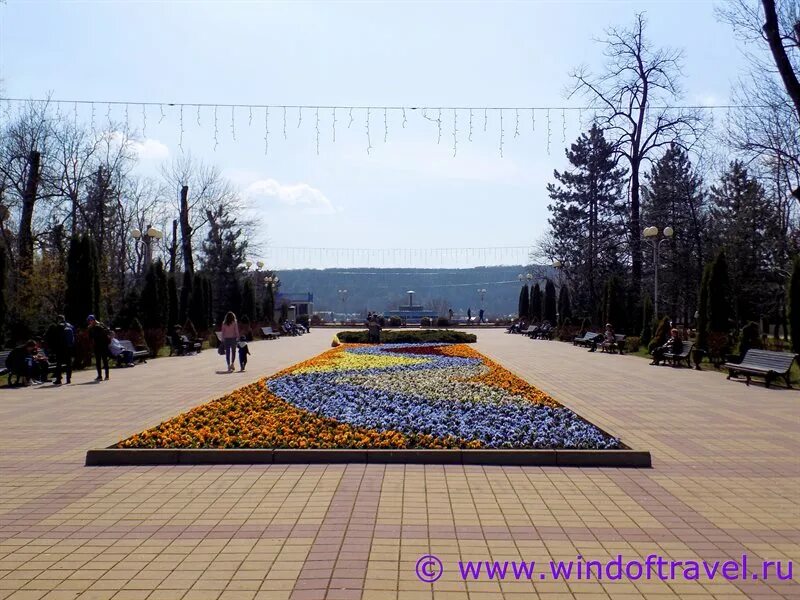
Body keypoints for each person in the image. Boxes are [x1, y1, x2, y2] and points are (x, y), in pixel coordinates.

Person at [88, 315, 111, 381]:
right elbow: (108, 332)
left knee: (99, 361)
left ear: (93, 320)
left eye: (90, 320)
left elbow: (91, 337)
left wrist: (90, 329)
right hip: (104, 345)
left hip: (98, 346)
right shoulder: (102, 324)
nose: (89, 322)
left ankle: (101, 376)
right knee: (104, 360)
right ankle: (106, 376)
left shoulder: (92, 327)